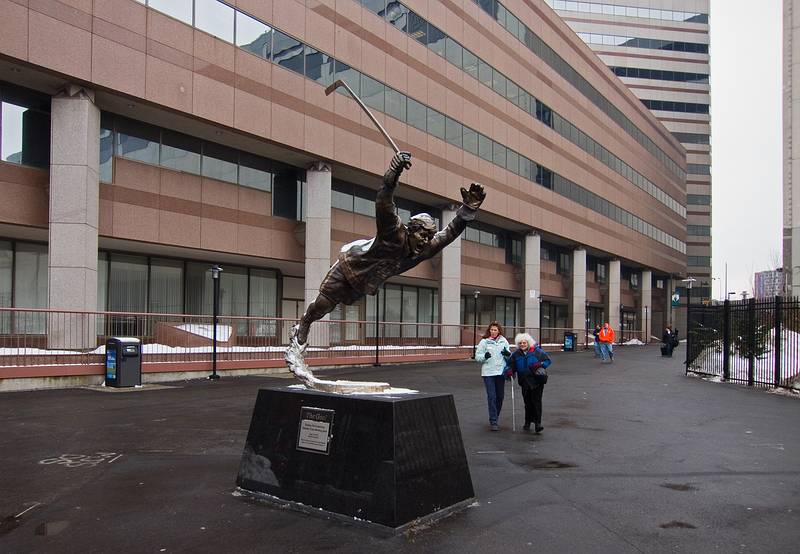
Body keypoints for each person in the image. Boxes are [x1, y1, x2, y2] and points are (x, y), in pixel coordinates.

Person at [291, 151, 486, 346]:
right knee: (324, 304)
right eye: (423, 235)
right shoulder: (393, 231)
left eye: (429, 237)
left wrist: (468, 210)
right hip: (350, 264)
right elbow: (384, 200)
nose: (427, 241)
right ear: (410, 231)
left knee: (334, 305)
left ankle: (309, 319)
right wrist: (394, 171)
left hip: (365, 281)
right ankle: (305, 322)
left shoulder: (425, 249)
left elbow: (450, 233)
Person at [504, 333, 551, 434]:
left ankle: (538, 424)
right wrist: (509, 370)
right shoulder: (516, 354)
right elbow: (510, 365)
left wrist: (540, 365)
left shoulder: (537, 352)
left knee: (536, 402)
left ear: (528, 343)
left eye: (524, 342)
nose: (522, 344)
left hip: (536, 381)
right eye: (520, 343)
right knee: (527, 403)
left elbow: (547, 361)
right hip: (524, 381)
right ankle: (527, 421)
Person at [474, 322, 512, 431]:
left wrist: (507, 355)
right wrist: (484, 356)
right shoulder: (484, 342)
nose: (493, 332)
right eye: (491, 330)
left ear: (499, 331)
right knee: (492, 397)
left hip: (500, 373)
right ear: (489, 331)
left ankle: (496, 416)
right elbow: (478, 357)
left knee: (500, 397)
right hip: (488, 373)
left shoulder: (503, 341)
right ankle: (493, 421)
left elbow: (509, 357)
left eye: (495, 330)